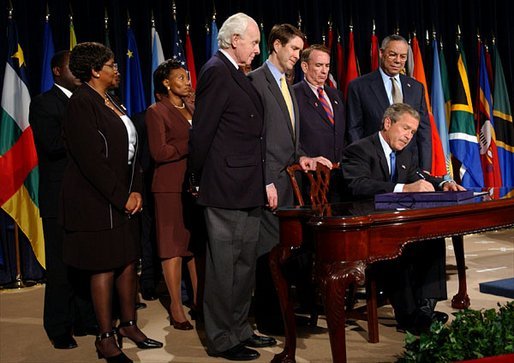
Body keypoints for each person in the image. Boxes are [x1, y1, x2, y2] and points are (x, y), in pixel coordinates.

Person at [61, 42, 162, 363]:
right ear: (94, 71)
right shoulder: (81, 104)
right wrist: (122, 196)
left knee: (128, 260)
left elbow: (131, 151)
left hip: (126, 198)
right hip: (96, 201)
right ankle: (105, 339)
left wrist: (136, 192)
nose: (117, 70)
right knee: (104, 266)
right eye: (111, 65)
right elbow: (91, 160)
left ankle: (128, 325)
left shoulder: (111, 100)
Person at [188, 13, 273, 361]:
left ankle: (240, 329)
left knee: (243, 266)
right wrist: (195, 178)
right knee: (224, 268)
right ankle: (222, 339)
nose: (257, 49)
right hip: (225, 186)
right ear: (234, 39)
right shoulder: (215, 71)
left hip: (246, 184)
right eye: (253, 42)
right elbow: (203, 132)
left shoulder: (234, 72)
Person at [341, 103, 465, 334]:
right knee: (394, 249)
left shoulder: (406, 152)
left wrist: (442, 183)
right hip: (364, 229)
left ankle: (425, 309)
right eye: (405, 128)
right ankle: (408, 318)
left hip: (395, 223)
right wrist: (403, 188)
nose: (409, 136)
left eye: (413, 132)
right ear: (388, 123)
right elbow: (357, 186)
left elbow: (417, 175)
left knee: (433, 237)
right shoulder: (359, 150)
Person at [248, 25, 332, 334]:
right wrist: (265, 180)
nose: (298, 56)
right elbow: (253, 139)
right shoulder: (256, 82)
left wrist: (301, 157)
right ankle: (270, 320)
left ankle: (283, 312)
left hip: (288, 184)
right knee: (268, 253)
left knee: (283, 252)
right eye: (294, 49)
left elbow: (288, 137)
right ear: (276, 46)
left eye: (299, 50)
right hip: (269, 183)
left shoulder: (286, 82)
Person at [29, 50, 97, 350]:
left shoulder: (88, 99)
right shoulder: (44, 103)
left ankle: (85, 320)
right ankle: (58, 327)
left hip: (86, 196)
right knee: (60, 266)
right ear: (57, 71)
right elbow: (53, 145)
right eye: (73, 66)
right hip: (58, 196)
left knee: (84, 261)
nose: (78, 71)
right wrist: (85, 134)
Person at [146, 59, 198, 330]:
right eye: (180, 78)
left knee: (192, 246)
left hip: (192, 186)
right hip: (167, 187)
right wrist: (189, 144)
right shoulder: (157, 112)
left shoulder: (191, 107)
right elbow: (159, 152)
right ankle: (176, 306)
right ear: (166, 83)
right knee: (172, 247)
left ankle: (200, 302)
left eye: (187, 77)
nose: (187, 82)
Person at [346, 34, 432, 172]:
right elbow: (354, 128)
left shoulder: (416, 87)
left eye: (403, 56)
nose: (398, 61)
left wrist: (426, 168)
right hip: (373, 164)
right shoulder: (359, 86)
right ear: (381, 53)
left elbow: (424, 130)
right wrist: (361, 161)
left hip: (410, 166)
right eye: (393, 55)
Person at [293, 44, 346, 202]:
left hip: (337, 178)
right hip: (310, 179)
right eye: (318, 65)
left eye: (327, 66)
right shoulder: (294, 95)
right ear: (304, 66)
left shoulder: (336, 95)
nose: (324, 71)